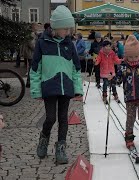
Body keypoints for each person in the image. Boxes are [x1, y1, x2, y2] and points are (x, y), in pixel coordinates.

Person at [30, 5, 83, 164]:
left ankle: (61, 148)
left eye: (69, 29)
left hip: (66, 87)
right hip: (49, 86)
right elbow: (35, 68)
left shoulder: (69, 44)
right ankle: (44, 139)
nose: (68, 32)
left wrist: (78, 88)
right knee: (51, 118)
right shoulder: (42, 43)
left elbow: (76, 68)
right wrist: (36, 90)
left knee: (63, 119)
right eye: (66, 29)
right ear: (57, 27)